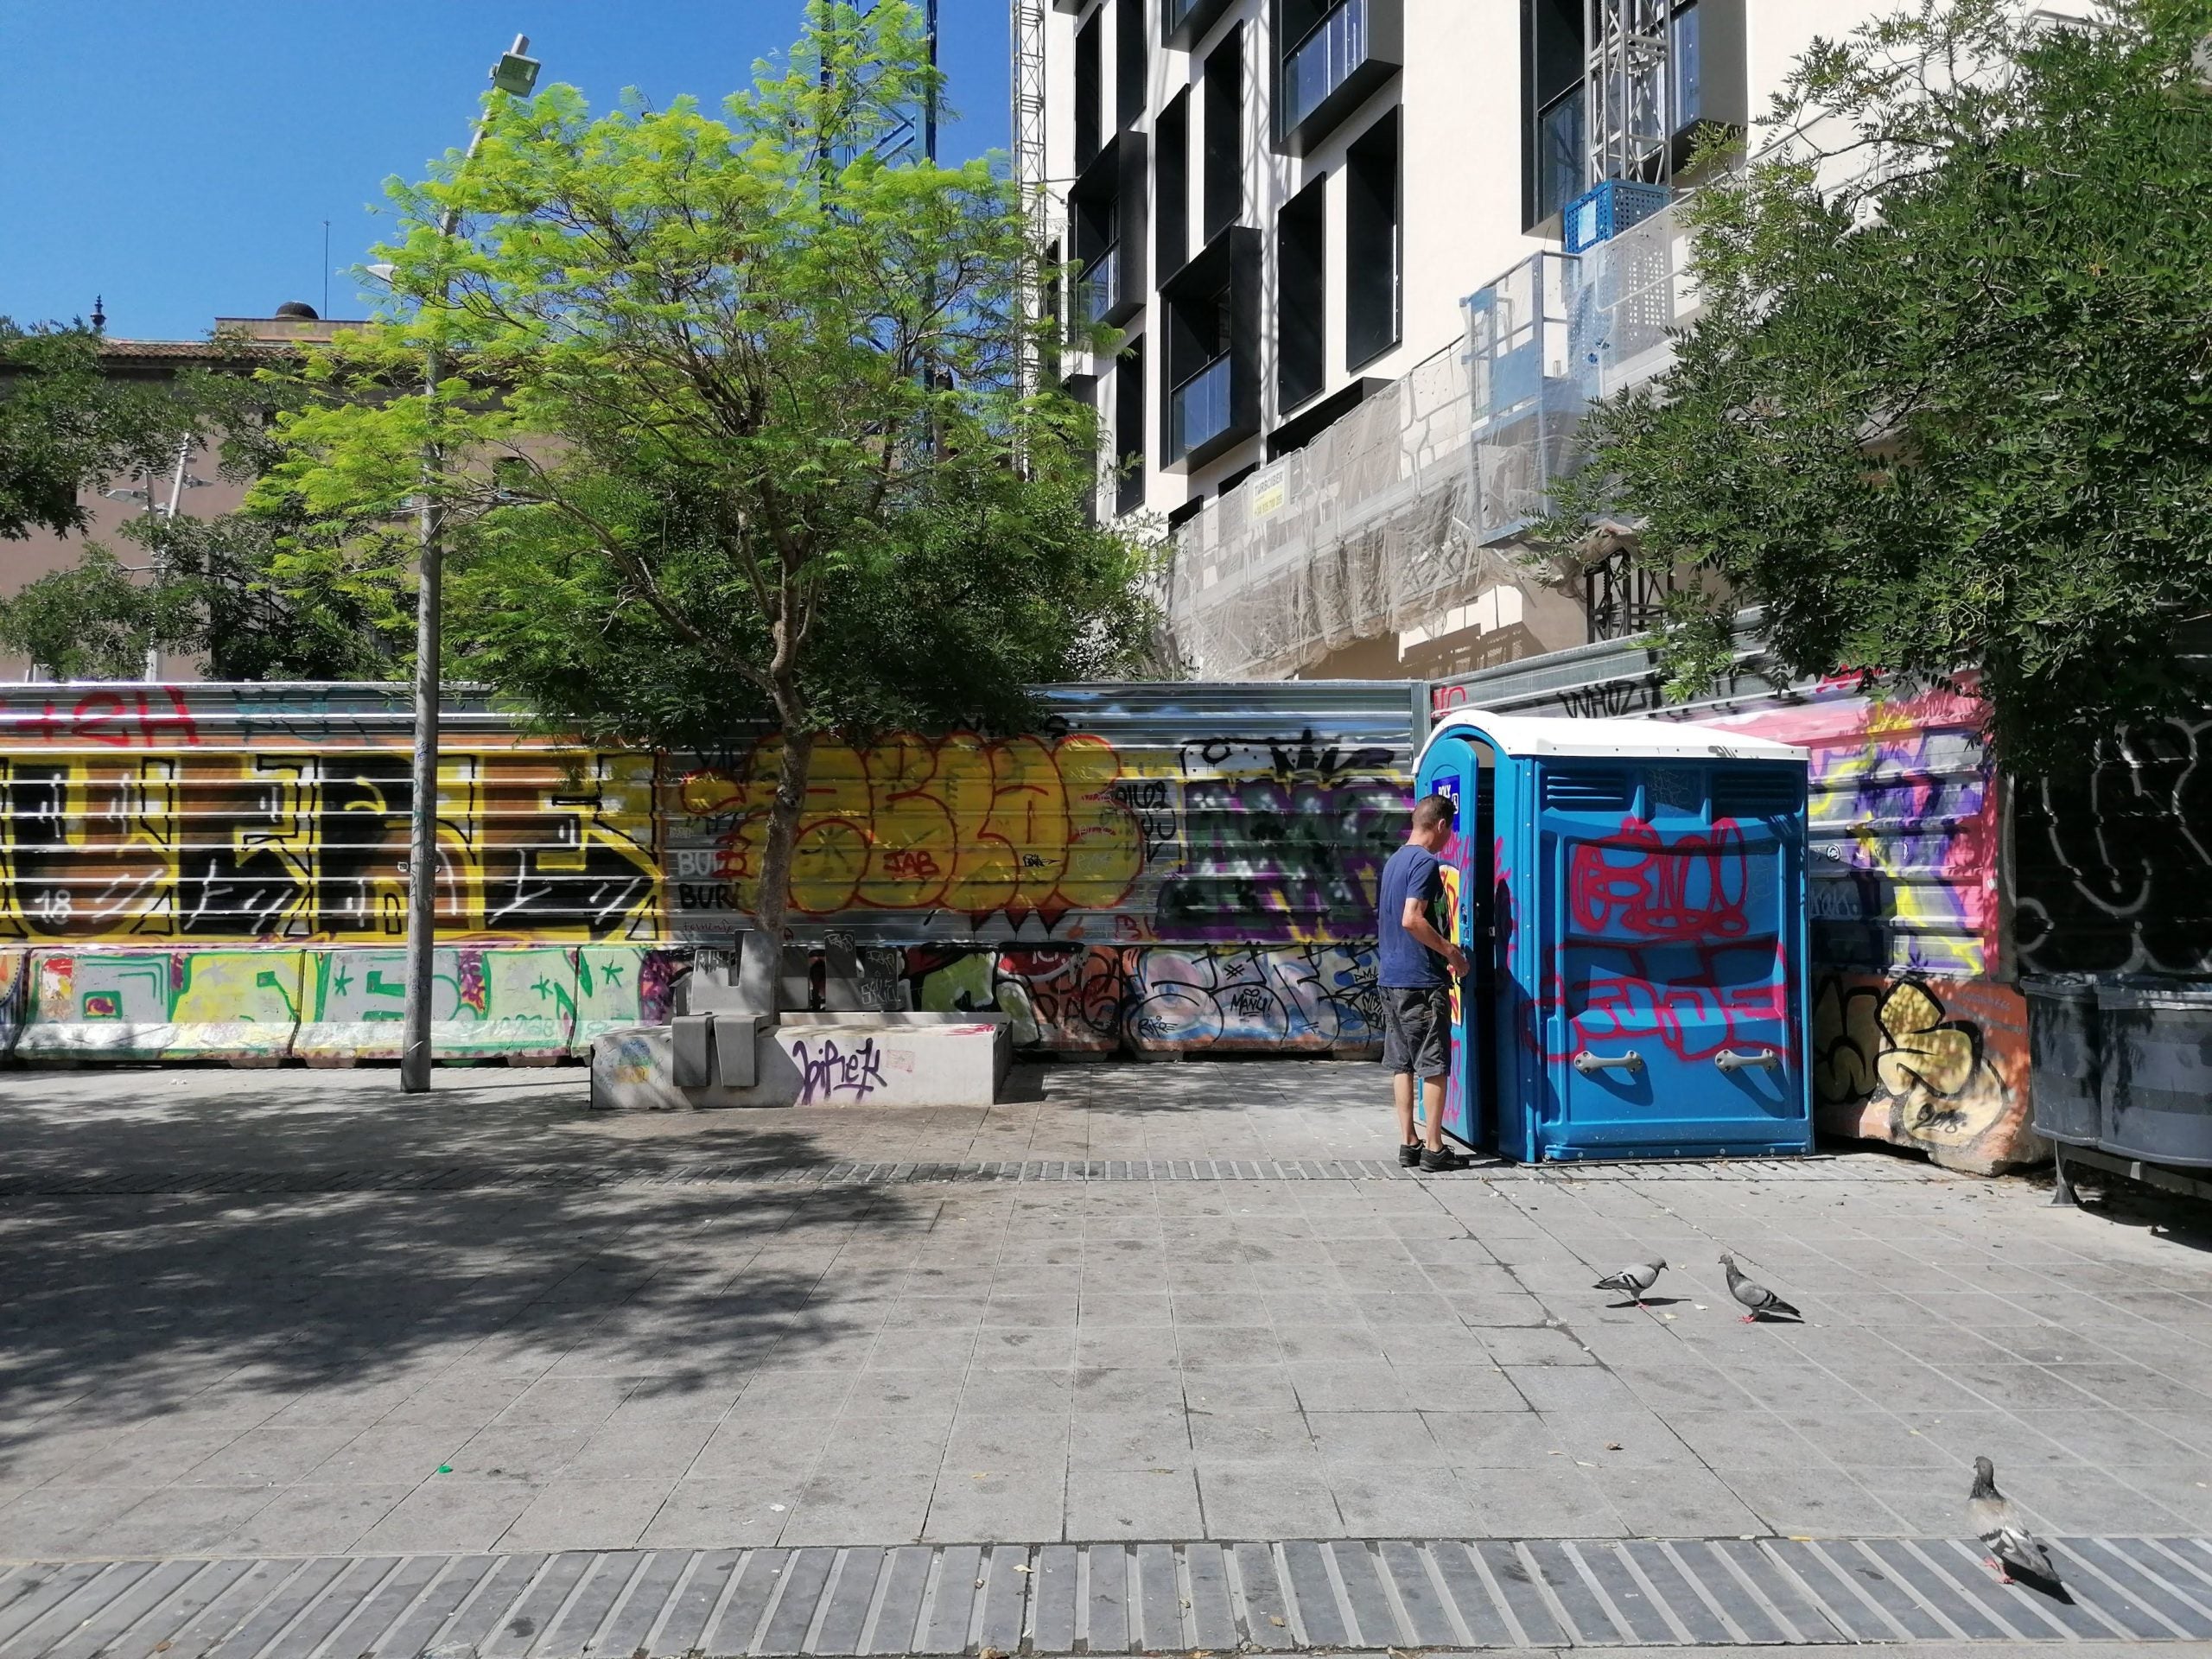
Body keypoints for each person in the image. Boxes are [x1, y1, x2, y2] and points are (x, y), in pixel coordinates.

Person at [1376, 792, 1470, 1172]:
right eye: (1450, 832)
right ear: (1442, 825)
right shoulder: (1425, 863)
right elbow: (1411, 918)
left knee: (1403, 1064)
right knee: (1434, 1063)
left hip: (1391, 978)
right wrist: (1452, 953)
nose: (1450, 840)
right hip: (1420, 978)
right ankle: (1434, 1147)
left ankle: (1408, 1143)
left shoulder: (1395, 860)